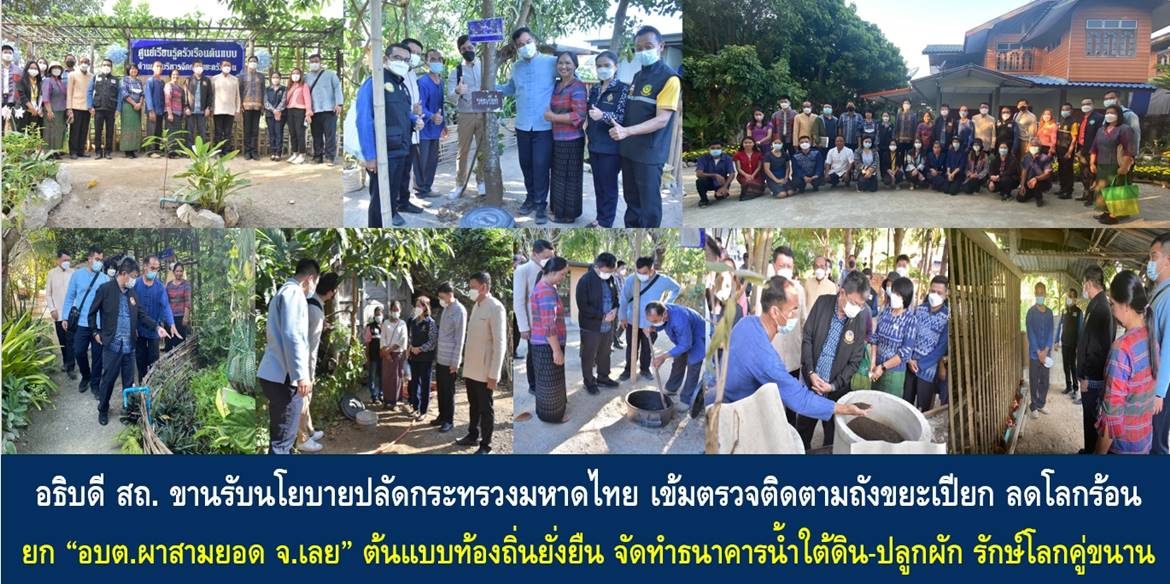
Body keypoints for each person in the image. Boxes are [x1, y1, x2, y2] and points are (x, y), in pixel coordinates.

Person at [721, 276, 870, 421]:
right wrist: (846, 409)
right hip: (734, 414)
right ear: (775, 312)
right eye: (793, 310)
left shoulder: (745, 323)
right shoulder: (767, 360)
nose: (795, 315)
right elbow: (800, 399)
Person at [608, 25, 680, 228]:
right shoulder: (637, 76)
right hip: (629, 150)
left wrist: (627, 131)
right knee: (631, 201)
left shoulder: (669, 79)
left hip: (649, 153)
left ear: (661, 46)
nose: (642, 51)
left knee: (649, 206)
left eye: (648, 46)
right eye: (638, 48)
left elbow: (662, 120)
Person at [88, 258, 169, 426]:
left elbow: (141, 314)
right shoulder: (105, 289)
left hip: (129, 346)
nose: (134, 280)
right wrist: (95, 332)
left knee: (128, 381)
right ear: (124, 274)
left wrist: (156, 327)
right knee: (108, 380)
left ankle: (128, 411)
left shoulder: (132, 293)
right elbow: (92, 312)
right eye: (133, 276)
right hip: (112, 345)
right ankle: (103, 409)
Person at [797, 270, 870, 448]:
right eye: (854, 303)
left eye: (861, 305)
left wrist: (834, 385)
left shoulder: (859, 319)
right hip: (811, 385)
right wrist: (811, 372)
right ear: (842, 292)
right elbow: (807, 338)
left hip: (836, 392)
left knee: (831, 438)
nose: (857, 308)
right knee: (803, 431)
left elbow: (855, 361)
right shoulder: (822, 303)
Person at [257, 259, 318, 454]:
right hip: (284, 378)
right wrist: (301, 375)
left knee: (280, 438)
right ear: (310, 279)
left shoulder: (284, 292)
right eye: (315, 282)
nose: (314, 288)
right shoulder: (294, 293)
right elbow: (292, 335)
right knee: (282, 442)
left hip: (276, 374)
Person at [498, 27, 557, 224]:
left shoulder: (552, 62)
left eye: (528, 42)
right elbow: (509, 89)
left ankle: (541, 204)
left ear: (535, 41)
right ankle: (530, 198)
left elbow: (570, 79)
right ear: (516, 48)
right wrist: (487, 86)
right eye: (520, 45)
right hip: (523, 125)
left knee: (541, 165)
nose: (525, 46)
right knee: (526, 164)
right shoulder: (516, 67)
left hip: (544, 126)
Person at [1095, 271, 1155, 454]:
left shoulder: (1122, 349)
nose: (1112, 310)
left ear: (1126, 305)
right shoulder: (1151, 338)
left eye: (1112, 304)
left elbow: (1112, 417)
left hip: (1123, 447)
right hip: (1144, 441)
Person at [357, 44, 416, 227]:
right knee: (379, 201)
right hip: (383, 154)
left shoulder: (400, 85)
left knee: (391, 196)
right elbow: (364, 120)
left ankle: (388, 222)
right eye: (397, 58)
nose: (402, 63)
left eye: (406, 60)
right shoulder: (374, 83)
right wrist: (370, 156)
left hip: (400, 149)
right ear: (385, 59)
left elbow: (402, 113)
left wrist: (414, 120)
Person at [454, 272, 506, 454]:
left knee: (485, 408)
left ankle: (486, 444)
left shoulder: (495, 307)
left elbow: (500, 343)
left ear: (483, 287)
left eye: (472, 287)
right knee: (473, 405)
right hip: (471, 368)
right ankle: (472, 435)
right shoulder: (477, 305)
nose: (470, 290)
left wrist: (494, 374)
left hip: (485, 371)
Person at [619, 256, 681, 381]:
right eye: (638, 272)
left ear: (652, 270)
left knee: (647, 348)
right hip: (632, 320)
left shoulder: (662, 280)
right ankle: (628, 369)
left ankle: (645, 369)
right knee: (631, 347)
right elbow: (624, 298)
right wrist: (622, 317)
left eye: (644, 273)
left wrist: (666, 304)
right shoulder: (631, 279)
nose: (641, 276)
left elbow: (676, 288)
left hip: (651, 322)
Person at [1075, 265, 1115, 453]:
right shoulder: (1096, 305)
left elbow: (1097, 349)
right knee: (1088, 418)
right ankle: (1088, 450)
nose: (1083, 287)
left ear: (1089, 283)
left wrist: (1087, 378)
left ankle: (1091, 453)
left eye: (1084, 283)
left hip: (1092, 379)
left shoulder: (1101, 309)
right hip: (1090, 377)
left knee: (1091, 419)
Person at [586, 50, 627, 226]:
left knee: (609, 186)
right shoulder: (595, 89)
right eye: (599, 66)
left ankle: (606, 223)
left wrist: (603, 116)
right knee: (598, 186)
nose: (602, 69)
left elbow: (622, 118)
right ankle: (599, 218)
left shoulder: (623, 89)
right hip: (594, 144)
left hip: (611, 146)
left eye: (607, 65)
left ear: (615, 67)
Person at [545, 51, 587, 223]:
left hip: (572, 140)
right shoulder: (556, 85)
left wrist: (553, 117)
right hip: (556, 138)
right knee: (557, 176)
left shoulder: (578, 86)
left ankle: (568, 215)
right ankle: (557, 210)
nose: (564, 66)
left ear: (575, 65)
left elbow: (579, 116)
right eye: (560, 63)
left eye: (568, 63)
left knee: (570, 179)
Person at [63, 247, 109, 395]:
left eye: (101, 260)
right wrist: (65, 317)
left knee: (98, 356)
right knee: (78, 351)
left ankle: (95, 384)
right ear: (89, 259)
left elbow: (108, 303)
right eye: (97, 259)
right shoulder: (77, 275)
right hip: (81, 323)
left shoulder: (105, 279)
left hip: (99, 324)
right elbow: (70, 296)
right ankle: (86, 375)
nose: (99, 262)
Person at [645, 301, 706, 414]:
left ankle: (686, 399)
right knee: (678, 359)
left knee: (693, 365)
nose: (653, 323)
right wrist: (653, 328)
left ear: (664, 314)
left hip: (698, 335)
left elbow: (686, 344)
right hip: (684, 336)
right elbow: (662, 324)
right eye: (651, 321)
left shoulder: (680, 320)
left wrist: (663, 357)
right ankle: (672, 388)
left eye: (655, 321)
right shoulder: (662, 310)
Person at [767, 246, 808, 416]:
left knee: (791, 404)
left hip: (793, 357)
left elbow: (804, 321)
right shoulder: (764, 290)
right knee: (772, 404)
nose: (785, 269)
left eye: (789, 266)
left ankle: (791, 430)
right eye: (782, 265)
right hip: (771, 359)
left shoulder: (799, 290)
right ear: (774, 266)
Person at [530, 256, 570, 422]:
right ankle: (553, 417)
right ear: (552, 272)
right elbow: (548, 325)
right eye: (562, 274)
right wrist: (556, 350)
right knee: (551, 383)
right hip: (547, 345)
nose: (563, 277)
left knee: (546, 382)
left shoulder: (545, 286)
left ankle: (546, 412)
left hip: (543, 343)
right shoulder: (546, 291)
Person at [447, 35, 487, 198]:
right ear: (459, 51)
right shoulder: (456, 71)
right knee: (462, 151)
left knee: (483, 150)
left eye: (470, 47)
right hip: (465, 115)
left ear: (475, 48)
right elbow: (450, 96)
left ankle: (481, 182)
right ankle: (459, 184)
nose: (467, 51)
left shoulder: (485, 67)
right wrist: (457, 91)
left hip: (484, 114)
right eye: (464, 49)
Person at [514, 240, 555, 395]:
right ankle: (533, 385)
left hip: (548, 321)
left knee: (546, 353)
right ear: (534, 254)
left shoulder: (549, 270)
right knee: (533, 354)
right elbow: (519, 301)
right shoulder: (522, 270)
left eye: (551, 257)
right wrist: (523, 327)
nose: (549, 260)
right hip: (532, 323)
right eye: (546, 257)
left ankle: (544, 381)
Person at [903, 276, 950, 411]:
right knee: (906, 402)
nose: (935, 295)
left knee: (923, 408)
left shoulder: (947, 317)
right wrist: (909, 359)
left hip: (928, 370)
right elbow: (909, 335)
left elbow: (941, 348)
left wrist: (920, 364)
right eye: (932, 291)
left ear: (946, 294)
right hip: (910, 365)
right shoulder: (919, 310)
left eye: (939, 293)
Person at [576, 252, 620, 395]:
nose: (609, 274)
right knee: (589, 355)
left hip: (608, 326)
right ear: (598, 266)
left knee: (605, 353)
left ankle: (603, 377)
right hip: (591, 327)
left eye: (611, 271)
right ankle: (589, 382)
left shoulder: (610, 279)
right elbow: (583, 306)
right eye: (607, 271)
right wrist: (602, 316)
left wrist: (615, 309)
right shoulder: (585, 281)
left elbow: (615, 298)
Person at [133, 255, 179, 381]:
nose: (154, 271)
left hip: (155, 329)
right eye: (152, 268)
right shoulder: (135, 284)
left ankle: (152, 383)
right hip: (139, 329)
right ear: (145, 267)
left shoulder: (160, 287)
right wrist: (132, 327)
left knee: (154, 359)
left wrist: (172, 324)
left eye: (157, 269)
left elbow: (166, 306)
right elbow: (131, 308)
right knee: (140, 358)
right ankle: (142, 383)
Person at [1089, 104, 1137, 225]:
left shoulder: (1124, 129)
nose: (1109, 115)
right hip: (1102, 165)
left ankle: (1114, 215)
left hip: (1116, 165)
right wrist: (1092, 163)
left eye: (1112, 113)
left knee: (1116, 190)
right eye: (1107, 113)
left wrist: (1124, 167)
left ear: (1119, 115)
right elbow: (1094, 148)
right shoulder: (1101, 130)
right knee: (1102, 189)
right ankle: (1106, 211)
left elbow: (1129, 150)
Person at [869, 276, 916, 396]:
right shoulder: (885, 312)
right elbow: (875, 338)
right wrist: (873, 362)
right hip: (876, 367)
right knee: (874, 400)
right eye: (894, 292)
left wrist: (883, 367)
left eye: (899, 294)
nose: (894, 296)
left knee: (889, 403)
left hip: (894, 373)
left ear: (906, 297)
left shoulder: (910, 320)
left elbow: (905, 352)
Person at [1147, 233, 1170, 454]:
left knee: (1157, 445)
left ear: (1168, 260)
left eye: (1154, 256)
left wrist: (1159, 392)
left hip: (1161, 387)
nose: (1150, 262)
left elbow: (1169, 349)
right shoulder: (1159, 292)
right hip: (1154, 381)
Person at [414, 49, 447, 199]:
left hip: (436, 129)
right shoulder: (422, 82)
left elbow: (441, 106)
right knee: (422, 161)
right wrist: (431, 117)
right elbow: (420, 106)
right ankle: (420, 190)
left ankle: (427, 187)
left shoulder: (441, 82)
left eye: (439, 59)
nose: (437, 62)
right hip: (424, 128)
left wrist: (443, 125)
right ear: (426, 61)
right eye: (433, 59)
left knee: (433, 160)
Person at [434, 282, 467, 433]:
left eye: (442, 297)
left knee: (448, 391)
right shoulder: (446, 309)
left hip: (450, 360)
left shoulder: (459, 310)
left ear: (449, 294)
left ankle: (448, 420)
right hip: (441, 358)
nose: (440, 300)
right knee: (441, 390)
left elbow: (460, 338)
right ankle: (442, 415)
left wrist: (456, 362)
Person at [398, 39, 425, 207]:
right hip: (401, 129)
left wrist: (417, 111)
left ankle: (404, 200)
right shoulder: (397, 73)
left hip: (414, 128)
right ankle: (398, 202)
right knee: (400, 170)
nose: (414, 56)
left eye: (418, 54)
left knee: (407, 168)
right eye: (412, 51)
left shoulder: (412, 73)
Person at [305, 53, 343, 165]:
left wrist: (339, 104)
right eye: (312, 62)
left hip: (329, 109)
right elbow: (305, 94)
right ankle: (318, 156)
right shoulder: (307, 77)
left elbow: (337, 88)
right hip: (314, 110)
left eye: (316, 61)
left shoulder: (331, 74)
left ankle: (330, 157)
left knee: (330, 134)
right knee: (316, 134)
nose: (314, 64)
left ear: (320, 62)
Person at [45, 250, 76, 379]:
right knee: (62, 340)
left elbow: (76, 292)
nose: (67, 262)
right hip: (58, 313)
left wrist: (75, 309)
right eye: (64, 260)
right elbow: (48, 294)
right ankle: (65, 362)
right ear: (58, 260)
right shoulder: (51, 274)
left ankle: (71, 367)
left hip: (71, 313)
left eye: (68, 260)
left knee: (70, 340)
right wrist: (52, 309)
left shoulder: (73, 273)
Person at [1025, 282, 1055, 419]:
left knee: (1045, 380)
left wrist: (1046, 350)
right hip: (1034, 354)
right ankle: (1033, 406)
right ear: (1034, 294)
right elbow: (1030, 333)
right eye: (1037, 293)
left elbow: (1051, 332)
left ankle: (1041, 404)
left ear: (1045, 294)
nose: (1039, 295)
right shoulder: (1030, 313)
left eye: (1042, 293)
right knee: (1034, 379)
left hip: (1046, 354)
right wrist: (1038, 351)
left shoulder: (1049, 313)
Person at [407, 295, 438, 420]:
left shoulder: (430, 322)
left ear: (425, 307)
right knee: (414, 383)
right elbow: (410, 337)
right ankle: (415, 407)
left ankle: (423, 411)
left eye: (419, 306)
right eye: (416, 306)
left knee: (425, 384)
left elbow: (432, 341)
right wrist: (410, 347)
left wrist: (420, 349)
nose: (417, 308)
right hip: (414, 358)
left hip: (425, 358)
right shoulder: (413, 321)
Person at [380, 301, 409, 410]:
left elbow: (403, 339)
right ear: (390, 310)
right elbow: (382, 338)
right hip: (386, 354)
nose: (395, 311)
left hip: (397, 354)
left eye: (397, 309)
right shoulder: (385, 323)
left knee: (396, 378)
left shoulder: (402, 324)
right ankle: (386, 400)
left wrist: (391, 349)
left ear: (400, 311)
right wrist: (386, 352)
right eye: (393, 309)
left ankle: (395, 402)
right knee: (386, 377)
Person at [87, 58, 118, 159]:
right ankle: (98, 152)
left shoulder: (116, 79)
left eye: (108, 65)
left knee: (110, 131)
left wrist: (118, 109)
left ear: (111, 67)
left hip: (111, 109)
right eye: (104, 65)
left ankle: (108, 152)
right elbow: (89, 91)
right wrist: (90, 106)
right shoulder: (95, 77)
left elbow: (119, 95)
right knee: (98, 131)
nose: (106, 67)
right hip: (98, 108)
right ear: (101, 66)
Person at [1056, 286, 1083, 397]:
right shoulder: (1064, 311)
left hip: (1073, 344)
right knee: (1065, 366)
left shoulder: (1079, 312)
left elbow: (1080, 330)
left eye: (1071, 297)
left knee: (1073, 366)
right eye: (1068, 296)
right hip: (1065, 342)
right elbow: (1060, 326)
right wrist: (1057, 341)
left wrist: (1079, 346)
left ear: (1075, 299)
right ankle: (1068, 386)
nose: (1069, 298)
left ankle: (1076, 388)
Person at [1076, 98, 1104, 204]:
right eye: (1083, 104)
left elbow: (1099, 136)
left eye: (1088, 103)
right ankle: (1086, 193)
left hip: (1092, 151)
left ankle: (1091, 197)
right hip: (1082, 150)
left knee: (1092, 174)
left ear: (1093, 105)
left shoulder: (1099, 118)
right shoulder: (1083, 118)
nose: (1085, 105)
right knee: (1084, 173)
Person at [283, 67, 313, 165]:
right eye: (293, 73)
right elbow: (286, 100)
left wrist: (308, 113)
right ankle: (295, 153)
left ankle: (302, 154)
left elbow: (308, 100)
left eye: (297, 73)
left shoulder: (304, 86)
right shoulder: (290, 87)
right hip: (290, 110)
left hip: (300, 111)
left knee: (300, 133)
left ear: (301, 75)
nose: (295, 75)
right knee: (292, 133)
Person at [239, 55, 266, 161]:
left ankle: (254, 152)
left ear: (257, 63)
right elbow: (240, 91)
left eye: (255, 61)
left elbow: (263, 91)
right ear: (247, 63)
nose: (253, 63)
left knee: (255, 130)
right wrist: (240, 104)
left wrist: (263, 105)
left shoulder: (261, 76)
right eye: (251, 61)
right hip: (246, 107)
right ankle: (247, 152)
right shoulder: (242, 76)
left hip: (258, 107)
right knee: (247, 130)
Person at [210, 59, 240, 153]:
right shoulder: (214, 79)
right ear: (221, 67)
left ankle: (226, 151)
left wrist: (237, 109)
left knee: (228, 132)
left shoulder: (235, 79)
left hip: (230, 110)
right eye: (225, 65)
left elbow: (237, 95)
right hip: (217, 110)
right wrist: (211, 108)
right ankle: (218, 151)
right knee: (218, 132)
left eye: (228, 65)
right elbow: (211, 95)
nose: (227, 67)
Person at [66, 56, 92, 158]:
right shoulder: (72, 75)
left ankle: (81, 150)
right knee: (75, 130)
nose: (84, 64)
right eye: (82, 62)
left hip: (87, 107)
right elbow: (69, 92)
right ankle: (73, 151)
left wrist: (92, 106)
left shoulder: (91, 76)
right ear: (79, 63)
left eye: (86, 62)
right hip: (75, 106)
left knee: (84, 130)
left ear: (89, 64)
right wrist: (69, 108)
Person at [117, 64, 145, 158]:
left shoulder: (139, 81)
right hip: (128, 107)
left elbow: (142, 94)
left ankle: (133, 149)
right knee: (128, 128)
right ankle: (127, 151)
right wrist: (134, 104)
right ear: (128, 70)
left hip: (137, 108)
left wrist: (140, 103)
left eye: (135, 69)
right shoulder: (124, 80)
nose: (134, 70)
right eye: (132, 69)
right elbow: (124, 94)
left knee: (135, 128)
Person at [40, 62, 67, 157]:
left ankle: (56, 152)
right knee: (49, 131)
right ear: (50, 70)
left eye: (58, 68)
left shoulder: (60, 81)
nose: (56, 69)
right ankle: (48, 154)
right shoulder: (47, 81)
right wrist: (49, 111)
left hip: (61, 111)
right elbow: (45, 97)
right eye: (54, 67)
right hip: (51, 110)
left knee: (58, 131)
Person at [695, 139, 733, 207]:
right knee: (699, 181)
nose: (715, 150)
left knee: (720, 197)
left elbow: (732, 173)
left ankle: (721, 193)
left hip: (721, 182)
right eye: (712, 148)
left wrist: (725, 187)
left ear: (722, 149)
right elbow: (699, 174)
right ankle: (703, 200)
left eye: (718, 148)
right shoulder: (702, 158)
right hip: (708, 181)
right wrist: (715, 175)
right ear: (709, 149)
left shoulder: (727, 158)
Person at [185, 59, 213, 148]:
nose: (199, 68)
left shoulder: (207, 80)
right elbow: (185, 95)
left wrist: (208, 108)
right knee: (190, 133)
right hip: (190, 111)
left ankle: (202, 151)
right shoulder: (188, 80)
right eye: (197, 66)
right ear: (193, 68)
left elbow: (210, 95)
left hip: (202, 112)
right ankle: (190, 151)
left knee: (202, 133)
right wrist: (186, 107)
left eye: (200, 66)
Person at [1018, 137, 1054, 207]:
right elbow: (1024, 171)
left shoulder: (1045, 158)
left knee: (1037, 185)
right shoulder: (1027, 157)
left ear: (1039, 147)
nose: (1033, 147)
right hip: (1029, 181)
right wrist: (1022, 185)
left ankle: (1039, 198)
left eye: (1035, 145)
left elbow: (1047, 174)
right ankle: (1032, 193)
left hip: (1041, 181)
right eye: (1032, 145)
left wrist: (1036, 178)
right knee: (1020, 198)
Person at [1055, 103, 1080, 199]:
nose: (1064, 111)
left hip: (1067, 150)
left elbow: (1074, 139)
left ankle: (1068, 191)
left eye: (1067, 109)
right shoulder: (1062, 121)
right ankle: (1062, 188)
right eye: (1063, 109)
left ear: (1071, 111)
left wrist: (1069, 152)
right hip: (1060, 149)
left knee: (1067, 171)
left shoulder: (1074, 123)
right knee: (1061, 170)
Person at [165, 262, 191, 351]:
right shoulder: (169, 285)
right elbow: (166, 302)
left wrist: (186, 317)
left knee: (180, 342)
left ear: (183, 272)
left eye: (181, 271)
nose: (179, 273)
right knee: (169, 341)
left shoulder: (186, 284)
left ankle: (180, 359)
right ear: (173, 272)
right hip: (170, 317)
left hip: (181, 317)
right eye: (177, 271)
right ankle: (168, 358)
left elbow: (188, 302)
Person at [161, 69, 187, 158]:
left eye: (177, 74)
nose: (175, 76)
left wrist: (183, 113)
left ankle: (176, 152)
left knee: (177, 133)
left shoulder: (180, 88)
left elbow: (182, 101)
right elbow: (167, 100)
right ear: (170, 76)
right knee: (171, 134)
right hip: (171, 113)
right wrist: (169, 113)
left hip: (178, 114)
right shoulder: (168, 85)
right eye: (173, 74)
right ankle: (170, 153)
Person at [143, 61, 167, 158]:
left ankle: (157, 150)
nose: (159, 68)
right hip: (152, 111)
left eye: (161, 66)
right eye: (157, 66)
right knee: (151, 131)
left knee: (158, 131)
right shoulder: (150, 81)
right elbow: (148, 96)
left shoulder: (162, 82)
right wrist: (151, 110)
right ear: (152, 68)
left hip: (160, 111)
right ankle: (150, 151)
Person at [732, 136, 764, 200]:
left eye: (750, 142)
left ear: (753, 143)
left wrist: (753, 175)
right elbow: (738, 168)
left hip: (756, 175)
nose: (748, 144)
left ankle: (750, 193)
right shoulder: (738, 154)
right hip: (743, 176)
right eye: (745, 143)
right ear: (742, 144)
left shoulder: (758, 154)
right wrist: (746, 175)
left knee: (754, 183)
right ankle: (753, 192)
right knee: (748, 183)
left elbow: (759, 167)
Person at [15, 60, 42, 135]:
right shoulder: (22, 81)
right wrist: (31, 108)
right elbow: (22, 96)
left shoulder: (39, 82)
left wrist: (36, 109)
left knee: (33, 132)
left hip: (35, 110)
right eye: (31, 68)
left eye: (35, 68)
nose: (33, 70)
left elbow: (40, 96)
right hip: (24, 109)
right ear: (27, 69)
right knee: (20, 132)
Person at [262, 70, 285, 161]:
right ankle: (273, 152)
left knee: (279, 133)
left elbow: (284, 101)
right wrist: (273, 110)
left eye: (277, 77)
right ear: (271, 79)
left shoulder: (284, 89)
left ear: (280, 78)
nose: (275, 79)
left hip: (280, 115)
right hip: (270, 114)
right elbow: (265, 101)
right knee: (271, 134)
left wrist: (278, 110)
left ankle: (278, 153)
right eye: (273, 77)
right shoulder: (267, 89)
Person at [364, 306, 384, 404]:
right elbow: (367, 343)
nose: (378, 316)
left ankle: (381, 394)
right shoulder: (370, 327)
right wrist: (367, 356)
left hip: (383, 356)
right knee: (372, 376)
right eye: (376, 314)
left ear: (383, 314)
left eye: (379, 314)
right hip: (373, 357)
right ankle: (374, 396)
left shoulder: (386, 325)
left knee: (382, 376)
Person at [2, 44, 20, 135]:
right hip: (1, 98)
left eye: (10, 53)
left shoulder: (18, 70)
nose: (7, 54)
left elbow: (21, 86)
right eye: (5, 52)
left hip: (13, 100)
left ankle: (13, 142)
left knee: (14, 124)